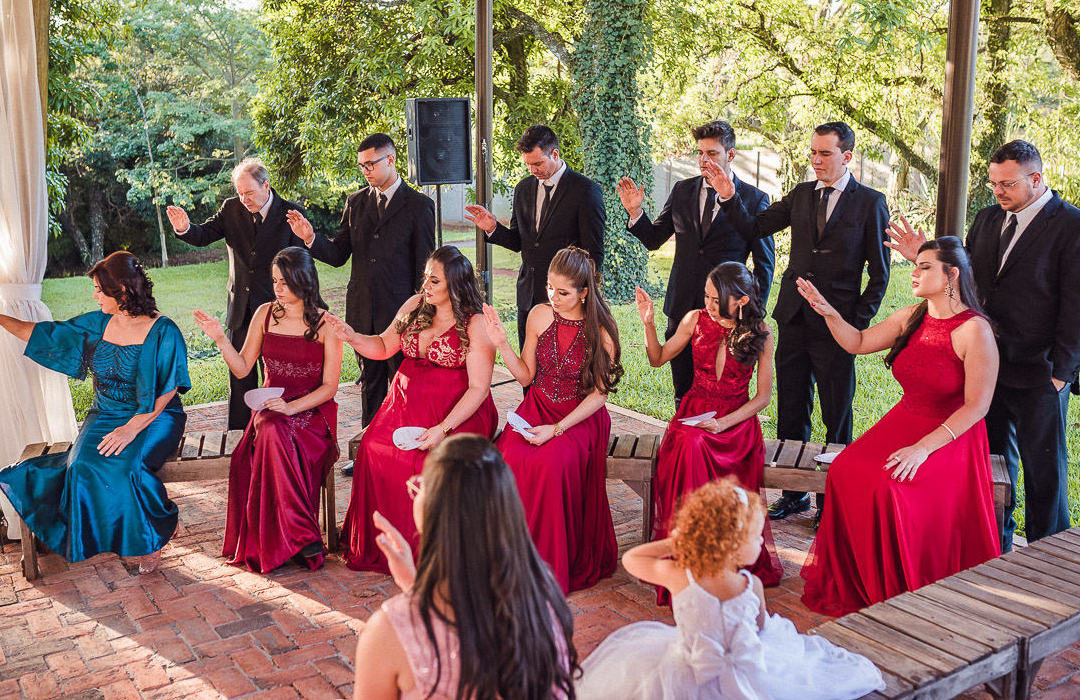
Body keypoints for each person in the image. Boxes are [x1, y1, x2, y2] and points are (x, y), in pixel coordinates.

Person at [887, 140, 1080, 547]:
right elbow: (964, 280)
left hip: (1040, 374)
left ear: (1036, 178)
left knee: (1045, 478)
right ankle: (996, 548)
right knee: (990, 471)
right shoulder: (988, 218)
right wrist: (924, 255)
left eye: (1007, 184)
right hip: (983, 368)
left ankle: (1047, 556)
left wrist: (1061, 375)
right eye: (993, 184)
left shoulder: (1079, 228)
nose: (998, 192)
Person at [797, 237, 1000, 616]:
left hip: (950, 435)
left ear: (952, 275)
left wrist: (922, 449)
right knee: (845, 469)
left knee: (889, 485)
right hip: (907, 416)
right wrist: (829, 313)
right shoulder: (911, 316)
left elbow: (978, 406)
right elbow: (858, 342)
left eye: (925, 267)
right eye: (916, 265)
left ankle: (900, 587)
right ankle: (860, 578)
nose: (914, 273)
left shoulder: (975, 330)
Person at [710, 121, 890, 526]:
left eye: (825, 153)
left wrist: (852, 324)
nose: (816, 160)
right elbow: (755, 227)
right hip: (792, 317)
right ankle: (794, 495)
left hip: (837, 325)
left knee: (836, 414)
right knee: (792, 408)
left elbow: (879, 276)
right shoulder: (802, 194)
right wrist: (728, 195)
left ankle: (832, 499)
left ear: (847, 156)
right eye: (812, 152)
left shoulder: (870, 202)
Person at [0, 252, 191, 575]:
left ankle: (153, 535)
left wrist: (131, 428)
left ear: (121, 291)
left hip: (155, 416)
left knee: (127, 468)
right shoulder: (99, 323)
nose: (95, 296)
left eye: (99, 290)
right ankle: (113, 534)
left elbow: (167, 390)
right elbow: (47, 333)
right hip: (106, 413)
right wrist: (0, 320)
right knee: (81, 467)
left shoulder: (163, 330)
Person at [576, 478, 884, 700]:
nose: (761, 542)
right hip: (744, 676)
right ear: (732, 546)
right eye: (755, 536)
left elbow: (632, 559)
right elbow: (761, 628)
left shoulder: (679, 576)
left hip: (685, 673)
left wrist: (674, 543)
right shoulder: (751, 586)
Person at [353, 434, 576, 700]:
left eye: (422, 484)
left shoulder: (388, 633)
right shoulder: (542, 597)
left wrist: (413, 597)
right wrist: (413, 585)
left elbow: (454, 640)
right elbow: (476, 631)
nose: (416, 489)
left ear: (434, 510)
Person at [329, 245, 499, 573]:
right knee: (373, 449)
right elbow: (383, 345)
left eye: (435, 281)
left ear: (455, 284)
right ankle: (385, 544)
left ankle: (432, 553)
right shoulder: (414, 305)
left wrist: (443, 428)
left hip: (458, 409)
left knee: (430, 462)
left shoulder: (476, 323)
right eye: (425, 278)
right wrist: (353, 337)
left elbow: (479, 388)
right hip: (405, 402)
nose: (426, 286)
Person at [635, 262, 781, 600]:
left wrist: (723, 423)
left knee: (697, 443)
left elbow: (762, 398)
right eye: (707, 297)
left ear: (742, 300)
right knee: (692, 442)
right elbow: (657, 359)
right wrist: (648, 324)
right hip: (695, 413)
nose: (709, 305)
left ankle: (718, 560)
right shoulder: (694, 320)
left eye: (717, 299)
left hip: (736, 422)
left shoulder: (761, 332)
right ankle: (690, 558)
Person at [193, 247, 342, 573]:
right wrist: (220, 340)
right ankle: (302, 535)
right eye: (275, 281)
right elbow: (243, 367)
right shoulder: (264, 313)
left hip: (311, 412)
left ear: (304, 280)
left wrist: (291, 408)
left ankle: (294, 536)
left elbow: (330, 387)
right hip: (270, 408)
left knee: (274, 432)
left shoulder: (327, 325)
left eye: (285, 282)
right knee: (271, 428)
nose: (278, 288)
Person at [485, 246, 623, 593]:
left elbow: (600, 395)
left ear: (584, 292)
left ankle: (545, 566)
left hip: (579, 417)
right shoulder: (538, 316)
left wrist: (557, 429)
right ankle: (511, 556)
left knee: (549, 463)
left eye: (563, 292)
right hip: (537, 406)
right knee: (507, 456)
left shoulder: (602, 331)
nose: (553, 297)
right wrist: (502, 344)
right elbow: (526, 376)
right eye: (549, 288)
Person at [619, 120, 774, 405]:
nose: (704, 160)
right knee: (683, 392)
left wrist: (752, 314)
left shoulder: (754, 199)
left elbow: (765, 264)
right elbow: (654, 239)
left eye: (712, 153)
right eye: (700, 153)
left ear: (730, 154)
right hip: (681, 307)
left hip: (727, 313)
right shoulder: (682, 190)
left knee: (722, 392)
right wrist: (635, 213)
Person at [289, 133, 436, 430]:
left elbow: (426, 266)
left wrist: (421, 313)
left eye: (371, 164)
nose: (365, 170)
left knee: (404, 384)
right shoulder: (355, 202)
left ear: (390, 160)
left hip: (400, 313)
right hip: (362, 309)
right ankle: (368, 442)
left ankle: (404, 443)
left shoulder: (419, 205)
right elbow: (338, 254)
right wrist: (311, 238)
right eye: (361, 165)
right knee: (370, 383)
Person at [167, 158, 318, 432]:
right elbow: (203, 235)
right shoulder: (231, 208)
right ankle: (239, 436)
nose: (244, 199)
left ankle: (280, 433)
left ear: (266, 185)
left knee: (277, 378)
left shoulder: (291, 214)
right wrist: (184, 227)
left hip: (278, 311)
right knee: (240, 380)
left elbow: (303, 267)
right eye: (239, 193)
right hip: (241, 309)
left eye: (249, 192)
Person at [464, 125, 606, 343]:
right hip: (527, 297)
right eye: (528, 164)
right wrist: (492, 228)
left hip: (566, 299)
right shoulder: (522, 189)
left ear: (555, 154)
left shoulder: (586, 191)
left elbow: (593, 252)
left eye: (537, 163)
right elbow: (518, 241)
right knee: (528, 361)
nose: (532, 170)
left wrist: (584, 297)